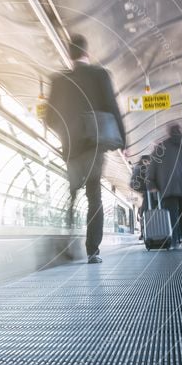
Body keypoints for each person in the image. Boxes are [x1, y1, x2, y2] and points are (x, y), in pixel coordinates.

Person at [46, 34, 126, 264]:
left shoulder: (58, 81)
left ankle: (67, 242)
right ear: (86, 53)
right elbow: (112, 107)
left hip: (71, 148)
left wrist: (66, 130)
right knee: (94, 196)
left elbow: (49, 117)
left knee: (71, 194)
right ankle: (92, 250)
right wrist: (123, 140)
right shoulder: (99, 75)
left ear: (69, 54)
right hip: (93, 145)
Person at [148, 123, 182, 248]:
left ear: (169, 133)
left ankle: (172, 241)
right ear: (180, 131)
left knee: (171, 214)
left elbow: (152, 167)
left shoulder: (161, 147)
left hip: (168, 186)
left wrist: (151, 183)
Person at [130, 154, 152, 240]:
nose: (148, 163)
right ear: (144, 161)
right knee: (147, 213)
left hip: (140, 193)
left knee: (143, 213)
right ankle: (146, 232)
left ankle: (143, 233)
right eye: (147, 161)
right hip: (145, 193)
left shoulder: (136, 168)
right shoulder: (142, 168)